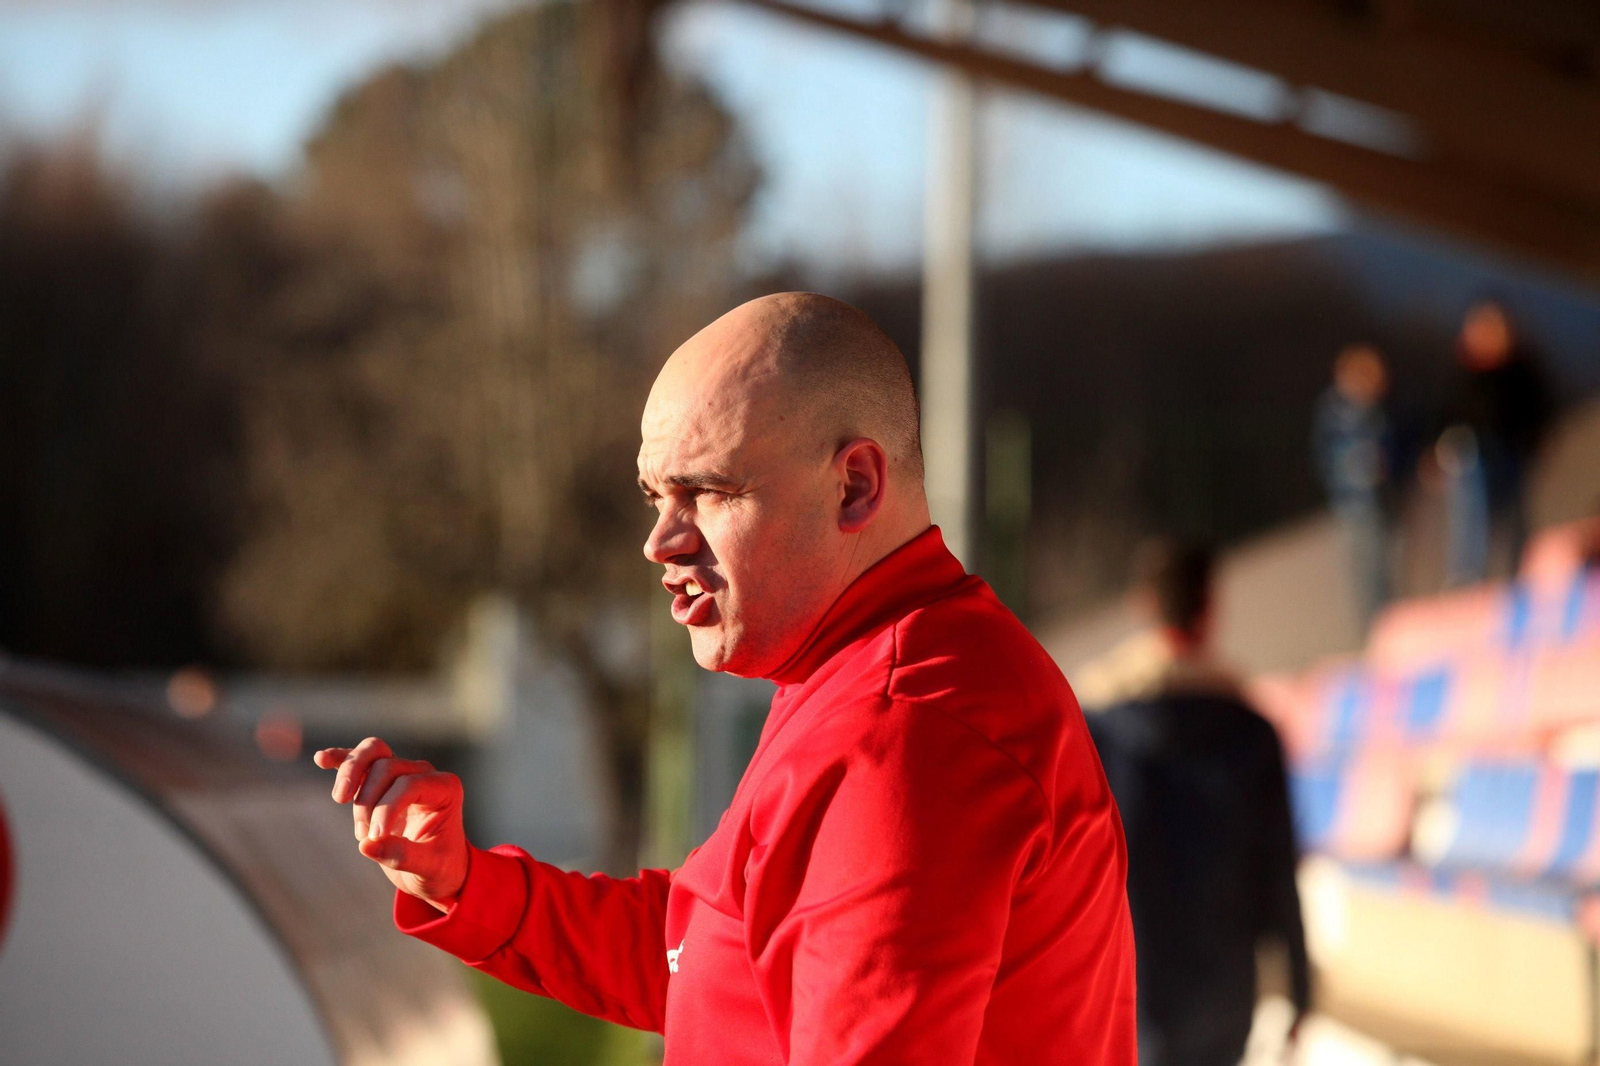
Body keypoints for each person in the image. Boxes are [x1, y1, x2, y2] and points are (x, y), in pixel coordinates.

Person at [315, 293, 1137, 1065]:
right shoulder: (867, 674)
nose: (662, 540)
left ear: (855, 485)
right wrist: (466, 883)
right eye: (653, 497)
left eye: (706, 491)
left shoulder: (903, 730)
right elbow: (703, 951)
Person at [1086, 541, 1309, 1066]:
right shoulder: (1252, 731)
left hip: (1127, 982)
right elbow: (1278, 867)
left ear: (1144, 606)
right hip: (1224, 988)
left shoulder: (1098, 730)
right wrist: (1299, 988)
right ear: (1211, 608)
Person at [1435, 299, 1552, 585]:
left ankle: (1520, 580)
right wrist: (1438, 449)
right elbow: (1443, 417)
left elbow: (1539, 413)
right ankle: (1466, 582)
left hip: (1509, 455)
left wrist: (1529, 445)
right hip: (1470, 458)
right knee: (1469, 515)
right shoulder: (1462, 374)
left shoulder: (1521, 371)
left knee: (1514, 522)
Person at [1312, 343, 1399, 632]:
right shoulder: (1333, 413)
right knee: (1363, 570)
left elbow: (1398, 450)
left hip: (1383, 502)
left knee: (1385, 568)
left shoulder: (1383, 410)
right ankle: (1374, 629)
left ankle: (1391, 624)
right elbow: (1324, 456)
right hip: (1352, 504)